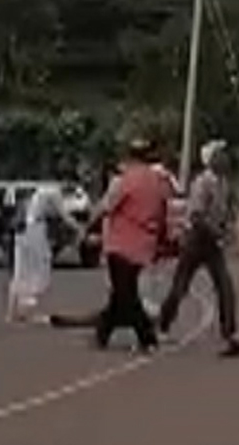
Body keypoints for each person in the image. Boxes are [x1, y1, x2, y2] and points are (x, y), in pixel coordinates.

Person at [50, 138, 170, 352]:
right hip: (144, 245)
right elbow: (162, 213)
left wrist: (86, 229)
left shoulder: (126, 180)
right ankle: (101, 335)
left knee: (127, 295)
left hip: (121, 245)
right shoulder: (157, 181)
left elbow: (105, 207)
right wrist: (161, 240)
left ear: (130, 157)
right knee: (121, 294)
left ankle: (147, 338)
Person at [158, 139, 239, 358]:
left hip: (212, 241)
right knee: (181, 286)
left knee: (225, 286)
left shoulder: (223, 183)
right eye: (220, 154)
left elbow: (222, 213)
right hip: (196, 240)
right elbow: (197, 216)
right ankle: (162, 325)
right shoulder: (202, 182)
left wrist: (224, 229)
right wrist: (216, 233)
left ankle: (230, 332)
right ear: (211, 159)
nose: (225, 158)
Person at [7, 184, 83, 323]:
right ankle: (28, 311)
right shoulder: (54, 192)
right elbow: (64, 215)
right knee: (39, 268)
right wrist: (80, 229)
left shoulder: (39, 191)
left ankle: (13, 311)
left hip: (22, 230)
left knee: (21, 269)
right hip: (35, 229)